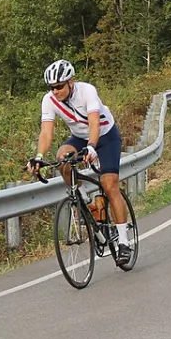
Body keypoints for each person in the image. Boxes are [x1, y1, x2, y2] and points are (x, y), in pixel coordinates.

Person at [26, 59, 132, 266]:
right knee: (62, 157)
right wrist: (38, 156)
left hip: (105, 135)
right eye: (52, 87)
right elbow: (46, 132)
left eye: (59, 86)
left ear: (70, 82)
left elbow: (94, 121)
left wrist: (92, 146)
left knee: (110, 185)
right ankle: (84, 200)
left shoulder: (87, 91)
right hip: (79, 137)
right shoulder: (49, 100)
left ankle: (124, 243)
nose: (55, 91)